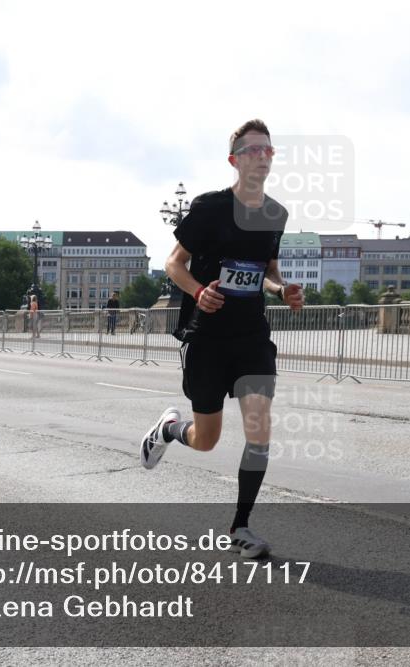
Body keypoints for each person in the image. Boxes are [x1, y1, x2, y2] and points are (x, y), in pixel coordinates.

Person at [139, 119, 304, 559]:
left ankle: (241, 527)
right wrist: (199, 291)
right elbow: (174, 263)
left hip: (251, 336)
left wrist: (282, 288)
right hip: (207, 337)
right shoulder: (209, 207)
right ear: (234, 160)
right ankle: (171, 430)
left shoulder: (276, 215)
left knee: (259, 428)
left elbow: (267, 271)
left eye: (268, 150)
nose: (263, 156)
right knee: (207, 438)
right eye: (253, 150)